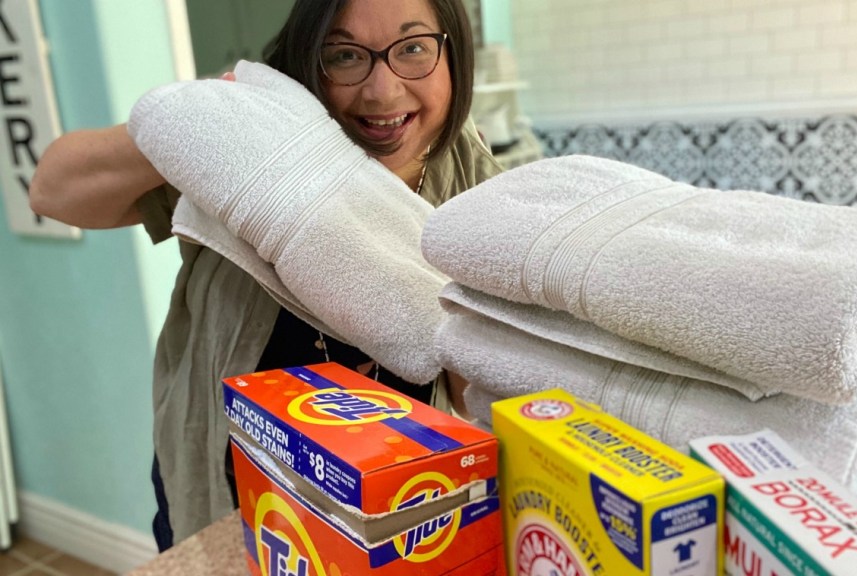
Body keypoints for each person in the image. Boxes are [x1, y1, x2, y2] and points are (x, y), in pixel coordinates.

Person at [29, 0, 503, 551]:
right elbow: (53, 191)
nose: (383, 91)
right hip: (226, 494)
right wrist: (195, 123)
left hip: (400, 514)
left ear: (454, 54)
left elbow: (485, 375)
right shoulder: (251, 151)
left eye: (413, 48)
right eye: (345, 55)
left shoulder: (475, 180)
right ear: (308, 60)